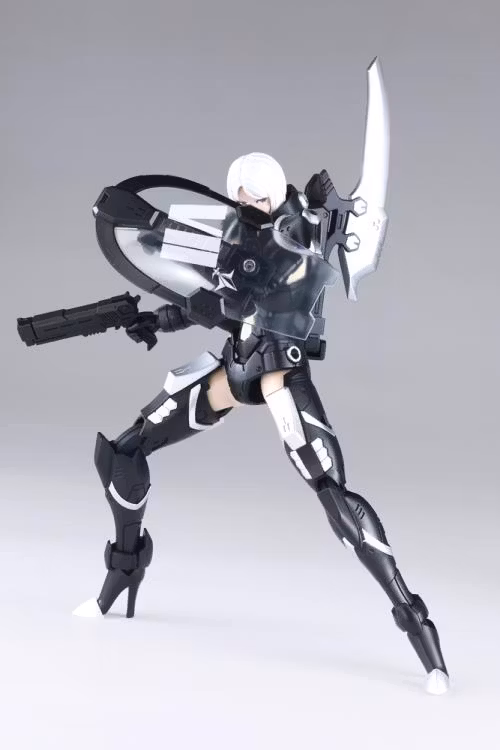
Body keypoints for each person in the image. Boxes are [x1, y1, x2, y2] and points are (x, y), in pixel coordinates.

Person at [73, 152, 449, 695]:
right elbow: (217, 295)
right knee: (123, 453)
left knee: (335, 499)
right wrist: (159, 318)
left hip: (279, 373)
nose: (244, 203)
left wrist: (318, 215)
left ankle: (417, 626)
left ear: (274, 192)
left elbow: (263, 282)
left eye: (254, 195)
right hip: (235, 369)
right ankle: (125, 569)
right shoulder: (238, 229)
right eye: (239, 195)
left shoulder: (303, 233)